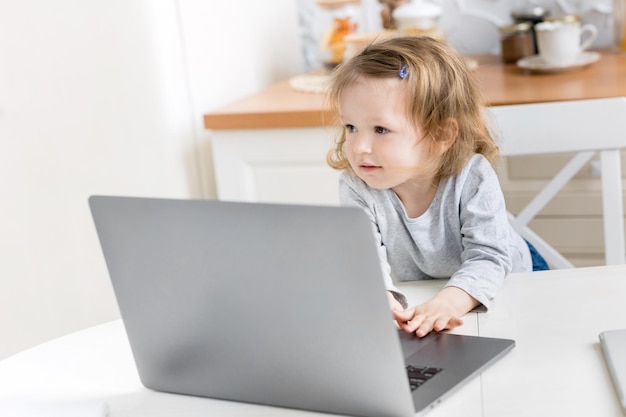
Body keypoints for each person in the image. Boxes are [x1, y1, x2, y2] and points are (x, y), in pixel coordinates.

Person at [326, 36, 548, 338]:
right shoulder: (358, 186)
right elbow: (364, 260)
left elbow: (489, 258)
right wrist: (380, 298)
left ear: (441, 135)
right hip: (427, 292)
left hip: (509, 280)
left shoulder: (473, 176)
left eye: (380, 129)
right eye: (351, 127)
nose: (360, 146)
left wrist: (448, 302)